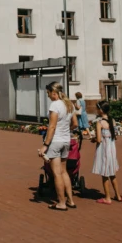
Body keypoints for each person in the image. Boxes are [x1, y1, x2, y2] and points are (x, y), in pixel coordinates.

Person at [38, 82, 78, 211]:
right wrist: (66, 130)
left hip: (55, 141)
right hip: (66, 141)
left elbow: (52, 126)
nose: (48, 96)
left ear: (53, 93)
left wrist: (45, 145)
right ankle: (70, 200)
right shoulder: (69, 104)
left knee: (56, 174)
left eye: (48, 93)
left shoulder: (55, 105)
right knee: (64, 171)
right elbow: (75, 123)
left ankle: (61, 203)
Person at [91, 101, 122, 204]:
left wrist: (94, 139)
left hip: (104, 149)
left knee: (105, 174)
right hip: (112, 149)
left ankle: (107, 197)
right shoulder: (112, 120)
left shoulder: (100, 122)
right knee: (112, 173)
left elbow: (99, 139)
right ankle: (118, 195)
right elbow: (116, 136)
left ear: (101, 110)